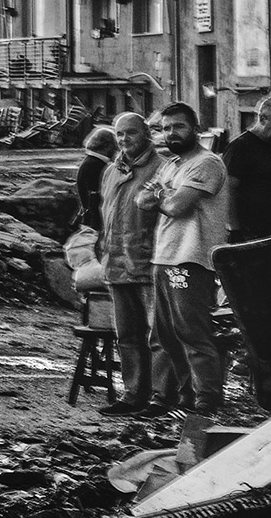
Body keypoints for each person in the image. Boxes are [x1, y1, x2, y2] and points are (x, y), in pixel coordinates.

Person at [136, 102, 231, 416]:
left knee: (191, 331)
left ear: (196, 129)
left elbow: (177, 207)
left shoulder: (207, 163)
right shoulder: (171, 164)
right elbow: (142, 199)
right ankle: (168, 397)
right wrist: (167, 195)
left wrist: (164, 195)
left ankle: (207, 398)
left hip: (191, 258)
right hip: (164, 256)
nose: (171, 133)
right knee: (162, 335)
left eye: (178, 126)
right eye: (165, 128)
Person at [95, 112, 167, 416]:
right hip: (116, 264)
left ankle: (161, 398)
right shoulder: (111, 171)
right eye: (119, 134)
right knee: (127, 336)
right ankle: (133, 394)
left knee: (158, 337)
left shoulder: (162, 168)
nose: (125, 140)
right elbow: (105, 213)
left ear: (146, 135)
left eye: (131, 133)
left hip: (148, 265)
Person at [222, 93, 271, 242]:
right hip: (250, 233)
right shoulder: (240, 148)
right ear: (262, 119)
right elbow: (228, 190)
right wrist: (234, 230)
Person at [74, 126, 117, 232]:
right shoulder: (98, 165)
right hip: (95, 223)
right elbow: (95, 198)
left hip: (89, 220)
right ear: (107, 146)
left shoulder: (90, 162)